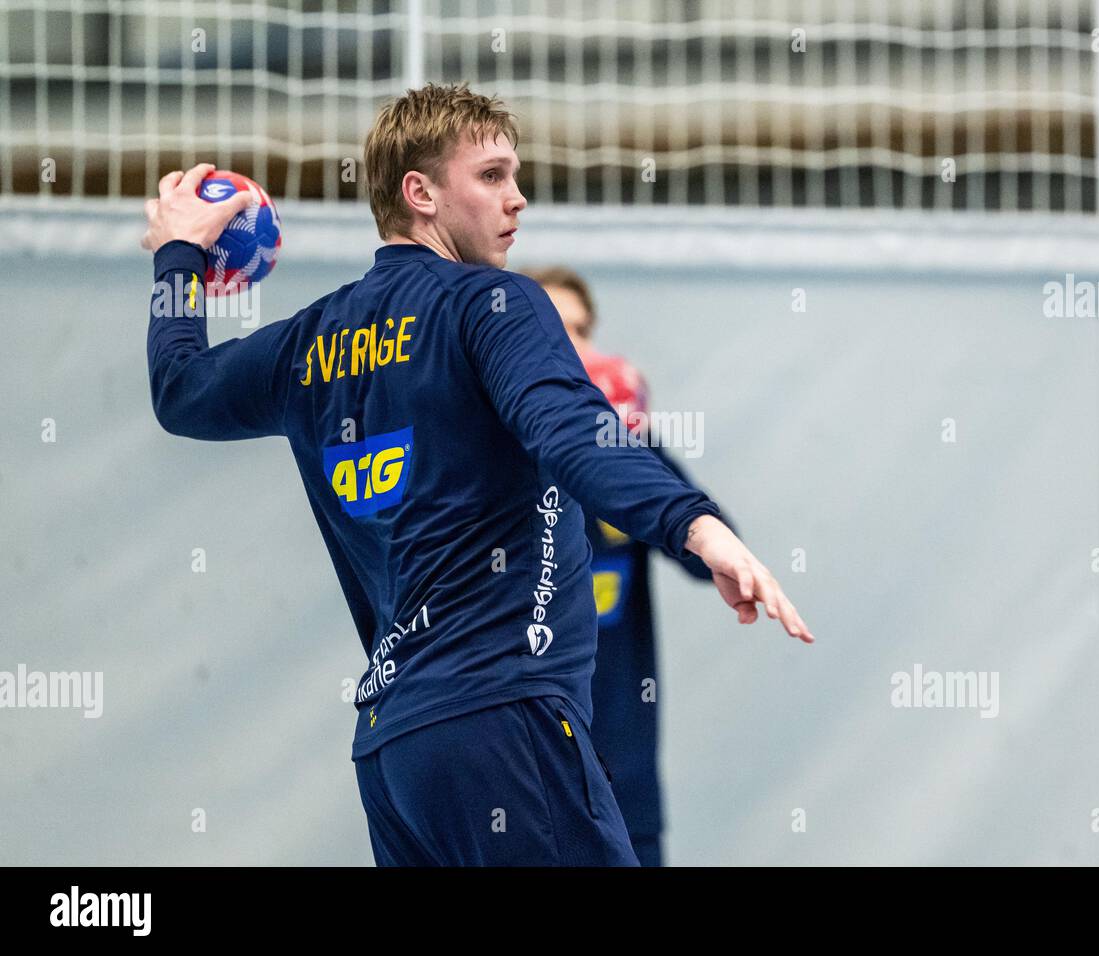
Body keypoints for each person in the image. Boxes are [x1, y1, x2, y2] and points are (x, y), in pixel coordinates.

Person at [140, 82, 812, 867]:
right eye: (492, 176)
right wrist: (697, 525)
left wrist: (177, 255)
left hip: (396, 752)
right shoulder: (494, 303)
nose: (518, 200)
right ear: (419, 193)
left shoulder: (309, 342)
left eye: (515, 176)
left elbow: (179, 390)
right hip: (505, 717)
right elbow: (574, 430)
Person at [527, 267, 724, 867]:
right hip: (520, 776)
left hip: (622, 775)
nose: (580, 350)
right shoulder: (486, 461)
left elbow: (712, 560)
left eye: (583, 331)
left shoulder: (626, 449)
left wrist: (627, 442)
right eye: (558, 335)